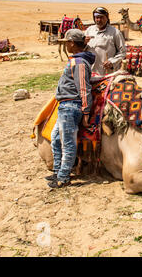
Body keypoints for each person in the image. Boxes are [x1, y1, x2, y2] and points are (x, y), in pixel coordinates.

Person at [48, 29, 95, 188]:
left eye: (67, 42)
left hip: (70, 106)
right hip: (64, 106)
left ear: (72, 43)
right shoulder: (76, 60)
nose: (66, 45)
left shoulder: (79, 62)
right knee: (55, 139)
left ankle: (63, 177)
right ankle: (56, 171)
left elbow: (84, 87)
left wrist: (86, 112)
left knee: (67, 143)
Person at [85, 7, 127, 76]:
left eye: (101, 17)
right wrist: (84, 43)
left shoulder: (115, 32)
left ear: (107, 18)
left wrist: (112, 62)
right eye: (97, 17)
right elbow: (82, 48)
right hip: (91, 71)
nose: (98, 20)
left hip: (107, 72)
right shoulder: (89, 30)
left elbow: (122, 52)